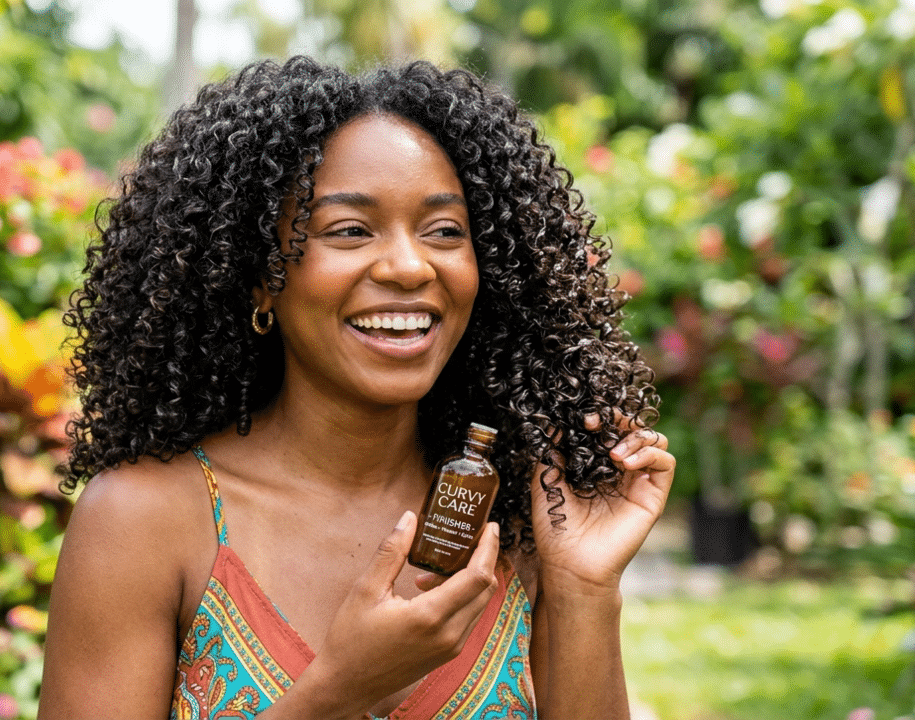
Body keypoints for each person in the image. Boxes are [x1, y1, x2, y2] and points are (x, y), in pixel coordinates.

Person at [38, 57, 675, 720]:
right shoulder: (146, 520)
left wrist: (583, 588)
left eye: (445, 231)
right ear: (258, 274)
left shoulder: (520, 519)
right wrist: (341, 689)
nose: (407, 265)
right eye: (350, 230)